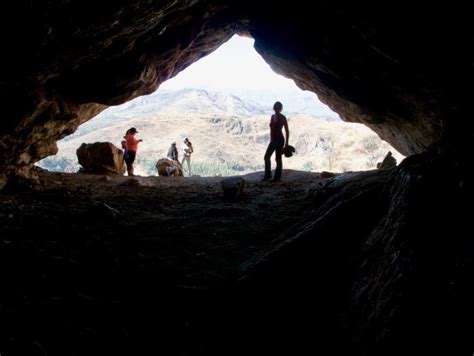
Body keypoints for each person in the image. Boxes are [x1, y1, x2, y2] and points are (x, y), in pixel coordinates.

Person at [263, 101, 290, 182]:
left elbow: (287, 131)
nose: (277, 109)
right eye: (276, 107)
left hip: (279, 140)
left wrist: (286, 144)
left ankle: (277, 178)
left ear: (280, 109)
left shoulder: (283, 118)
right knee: (267, 157)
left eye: (278, 107)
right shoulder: (272, 116)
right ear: (274, 108)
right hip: (273, 140)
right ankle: (268, 176)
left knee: (277, 158)